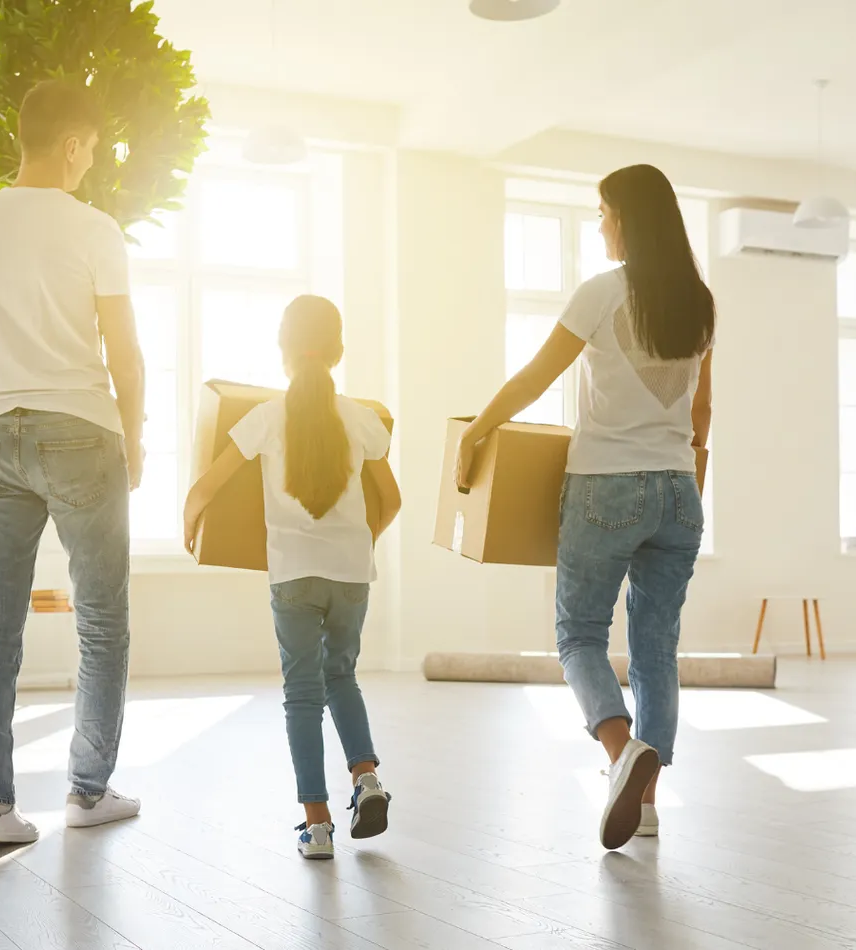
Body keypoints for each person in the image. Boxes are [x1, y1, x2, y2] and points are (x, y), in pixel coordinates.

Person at [455, 164, 714, 850]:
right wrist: (688, 487)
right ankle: (649, 804)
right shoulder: (699, 301)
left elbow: (537, 377)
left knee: (578, 636)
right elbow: (702, 411)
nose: (600, 223)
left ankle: (620, 750)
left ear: (627, 217)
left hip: (606, 486)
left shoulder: (603, 293)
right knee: (657, 649)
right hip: (679, 491)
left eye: (603, 212)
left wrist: (477, 430)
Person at [0, 78, 147, 844]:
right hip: (82, 431)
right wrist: (136, 437)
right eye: (91, 148)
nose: (91, 162)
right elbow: (124, 354)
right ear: (71, 145)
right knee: (101, 619)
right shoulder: (94, 229)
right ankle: (88, 792)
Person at [182, 296, 403, 860]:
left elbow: (208, 485)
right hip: (352, 575)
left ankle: (319, 825)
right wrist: (362, 541)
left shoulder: (264, 417)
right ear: (338, 349)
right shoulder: (360, 417)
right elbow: (392, 499)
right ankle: (367, 779)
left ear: (283, 349)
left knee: (302, 696)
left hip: (293, 576)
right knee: (342, 676)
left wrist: (190, 520)